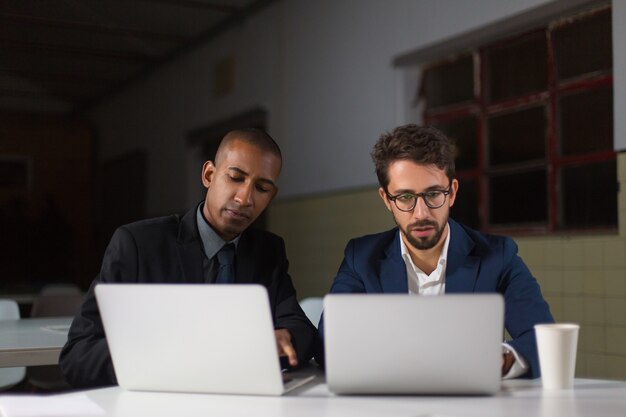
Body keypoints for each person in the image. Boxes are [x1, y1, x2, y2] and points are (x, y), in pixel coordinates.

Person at [60, 129, 318, 388]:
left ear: (271, 196)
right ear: (208, 175)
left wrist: (283, 337)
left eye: (261, 188)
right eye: (235, 178)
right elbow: (78, 356)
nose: (245, 198)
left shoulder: (268, 250)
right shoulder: (138, 244)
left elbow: (301, 329)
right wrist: (174, 354)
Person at [321, 124, 553, 378]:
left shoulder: (498, 256)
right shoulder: (361, 257)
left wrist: (502, 359)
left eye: (433, 194)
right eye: (405, 197)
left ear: (452, 192)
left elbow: (542, 338)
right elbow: (328, 342)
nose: (421, 213)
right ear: (387, 199)